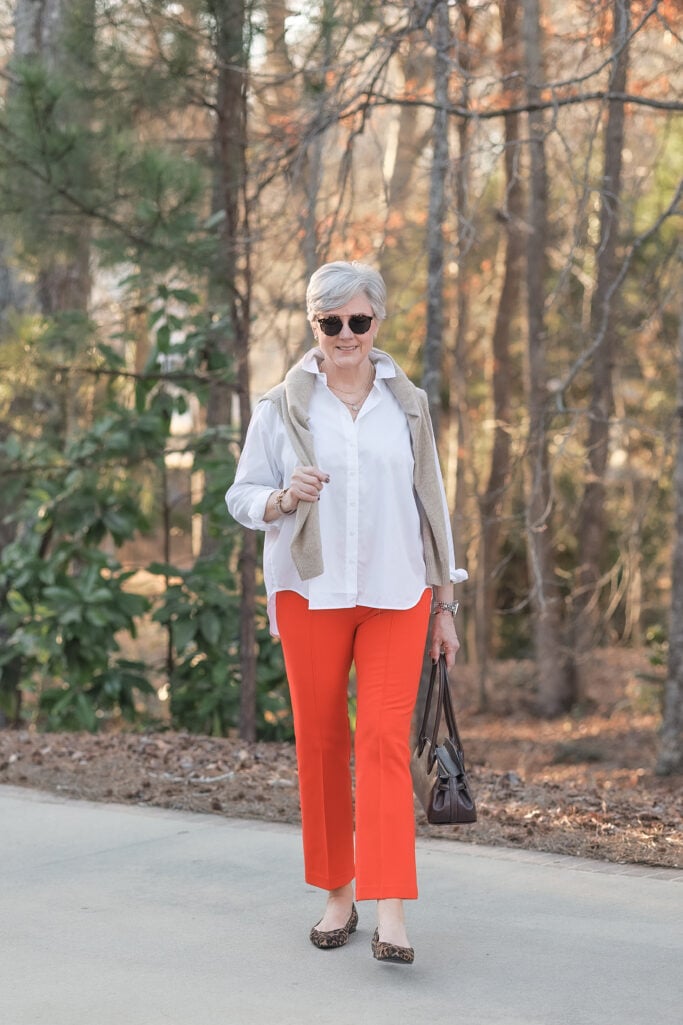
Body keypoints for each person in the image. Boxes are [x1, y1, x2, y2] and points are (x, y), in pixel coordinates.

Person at [226, 260, 467, 965]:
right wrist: (279, 498)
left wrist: (445, 604)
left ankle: (390, 906)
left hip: (399, 594)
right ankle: (339, 892)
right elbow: (242, 494)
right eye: (329, 322)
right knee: (324, 742)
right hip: (312, 592)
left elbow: (435, 507)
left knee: (384, 744)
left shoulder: (409, 404)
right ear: (313, 327)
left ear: (376, 323)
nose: (344, 335)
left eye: (357, 321)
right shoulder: (280, 406)